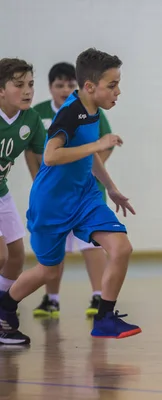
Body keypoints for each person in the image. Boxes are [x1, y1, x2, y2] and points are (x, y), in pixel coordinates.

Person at [0, 48, 141, 345]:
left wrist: (112, 188)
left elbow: (91, 157)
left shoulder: (94, 111)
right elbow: (50, 156)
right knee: (48, 271)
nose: (118, 91)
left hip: (86, 197)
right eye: (112, 85)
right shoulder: (71, 113)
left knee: (121, 248)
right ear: (90, 87)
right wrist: (97, 145)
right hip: (52, 204)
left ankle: (104, 317)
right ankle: (6, 306)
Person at [33, 62, 114, 318]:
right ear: (50, 88)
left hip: (85, 190)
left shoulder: (92, 110)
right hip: (55, 195)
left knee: (91, 244)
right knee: (54, 248)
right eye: (60, 85)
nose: (65, 89)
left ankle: (98, 295)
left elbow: (105, 145)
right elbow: (36, 152)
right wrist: (40, 182)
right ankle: (51, 299)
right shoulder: (40, 113)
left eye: (70, 84)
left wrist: (87, 168)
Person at [0, 58, 46, 314]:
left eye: (30, 84)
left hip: (1, 192)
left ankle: (3, 312)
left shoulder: (31, 119)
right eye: (19, 85)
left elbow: (47, 157)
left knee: (16, 256)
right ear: (1, 90)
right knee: (1, 255)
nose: (27, 90)